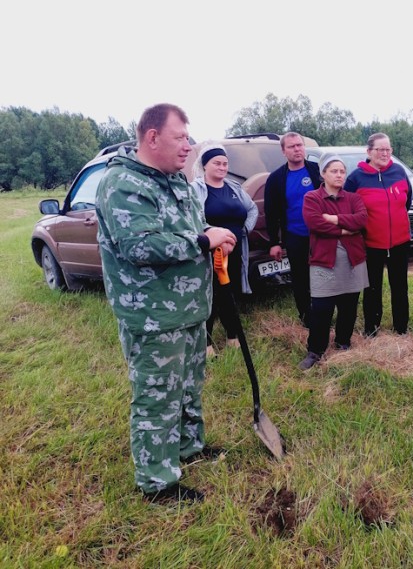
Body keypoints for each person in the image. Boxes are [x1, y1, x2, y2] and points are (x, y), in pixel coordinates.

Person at [95, 103, 237, 503]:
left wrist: (211, 230)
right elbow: (139, 244)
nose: (188, 147)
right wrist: (200, 241)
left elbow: (189, 228)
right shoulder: (123, 184)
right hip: (154, 314)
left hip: (190, 309)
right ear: (152, 137)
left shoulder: (175, 179)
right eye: (180, 138)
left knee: (189, 387)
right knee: (158, 396)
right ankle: (157, 482)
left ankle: (189, 448)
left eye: (189, 138)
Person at [298, 153, 369, 370]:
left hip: (352, 261)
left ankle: (343, 343)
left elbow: (362, 220)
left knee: (349, 306)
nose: (339, 175)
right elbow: (315, 223)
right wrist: (345, 229)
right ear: (323, 174)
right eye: (334, 171)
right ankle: (315, 350)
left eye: (342, 171)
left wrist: (335, 219)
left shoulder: (353, 198)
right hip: (324, 261)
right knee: (321, 308)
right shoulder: (312, 198)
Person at [191, 143, 258, 358]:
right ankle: (206, 343)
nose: (222, 167)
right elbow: (192, 219)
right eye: (217, 163)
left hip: (236, 252)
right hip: (207, 254)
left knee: (231, 294)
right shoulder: (196, 190)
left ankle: (233, 337)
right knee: (209, 296)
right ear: (205, 165)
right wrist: (211, 236)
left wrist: (245, 229)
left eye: (225, 163)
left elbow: (252, 209)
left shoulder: (234, 187)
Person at [344, 132, 412, 337]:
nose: (385, 153)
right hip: (371, 244)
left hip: (400, 242)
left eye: (388, 149)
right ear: (369, 152)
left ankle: (401, 328)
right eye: (380, 149)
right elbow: (348, 209)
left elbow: (406, 203)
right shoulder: (356, 178)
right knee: (372, 288)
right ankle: (371, 329)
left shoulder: (399, 171)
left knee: (400, 286)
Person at [264, 132, 322, 326]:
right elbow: (271, 213)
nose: (297, 149)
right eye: (292, 146)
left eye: (299, 145)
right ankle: (306, 317)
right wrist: (274, 243)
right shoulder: (276, 179)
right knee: (300, 279)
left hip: (321, 236)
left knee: (323, 276)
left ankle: (324, 314)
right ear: (283, 151)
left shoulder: (317, 171)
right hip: (296, 236)